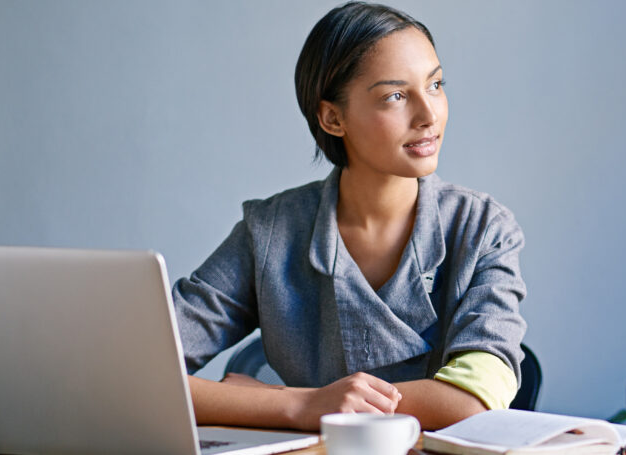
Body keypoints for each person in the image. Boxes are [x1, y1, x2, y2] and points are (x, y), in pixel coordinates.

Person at [173, 1, 527, 431]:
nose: (429, 115)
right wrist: (300, 405)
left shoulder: (483, 228)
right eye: (395, 96)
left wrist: (284, 401)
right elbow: (143, 373)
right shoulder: (269, 231)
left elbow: (474, 399)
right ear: (333, 117)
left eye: (435, 85)